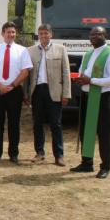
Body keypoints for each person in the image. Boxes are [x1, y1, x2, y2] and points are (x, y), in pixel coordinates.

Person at [70, 26, 110, 178]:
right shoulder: (88, 54)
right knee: (86, 130)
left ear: (105, 35)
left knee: (103, 132)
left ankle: (105, 167)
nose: (93, 36)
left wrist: (91, 80)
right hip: (86, 95)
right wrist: (80, 79)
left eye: (97, 34)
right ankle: (87, 163)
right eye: (91, 34)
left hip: (102, 97)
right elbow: (83, 72)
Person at [0, 21, 32, 164]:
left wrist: (11, 85)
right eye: (8, 32)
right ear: (2, 33)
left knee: (14, 123)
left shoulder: (23, 50)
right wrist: (0, 86)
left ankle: (13, 154)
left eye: (13, 32)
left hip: (14, 91)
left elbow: (25, 71)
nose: (11, 34)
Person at [24, 24, 71, 166]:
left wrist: (66, 94)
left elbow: (66, 73)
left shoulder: (61, 50)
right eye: (41, 34)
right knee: (37, 123)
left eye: (46, 33)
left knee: (55, 124)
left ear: (51, 34)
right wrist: (26, 94)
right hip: (37, 91)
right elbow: (27, 75)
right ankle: (39, 153)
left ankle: (59, 155)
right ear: (38, 35)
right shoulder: (30, 51)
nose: (43, 36)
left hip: (55, 91)